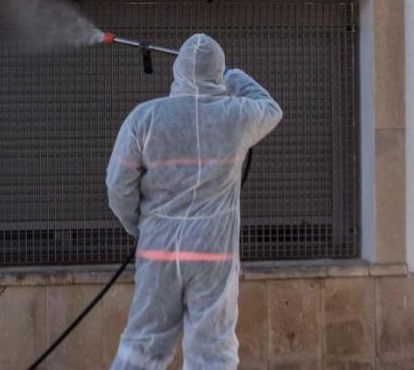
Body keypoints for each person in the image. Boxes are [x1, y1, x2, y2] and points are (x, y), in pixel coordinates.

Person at [106, 33, 283, 369]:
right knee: (212, 352)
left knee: (143, 345)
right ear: (217, 72)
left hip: (158, 251)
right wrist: (234, 76)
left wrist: (138, 227)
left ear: (178, 70)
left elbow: (118, 187)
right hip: (213, 255)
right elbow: (271, 108)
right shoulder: (237, 116)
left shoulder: (144, 118)